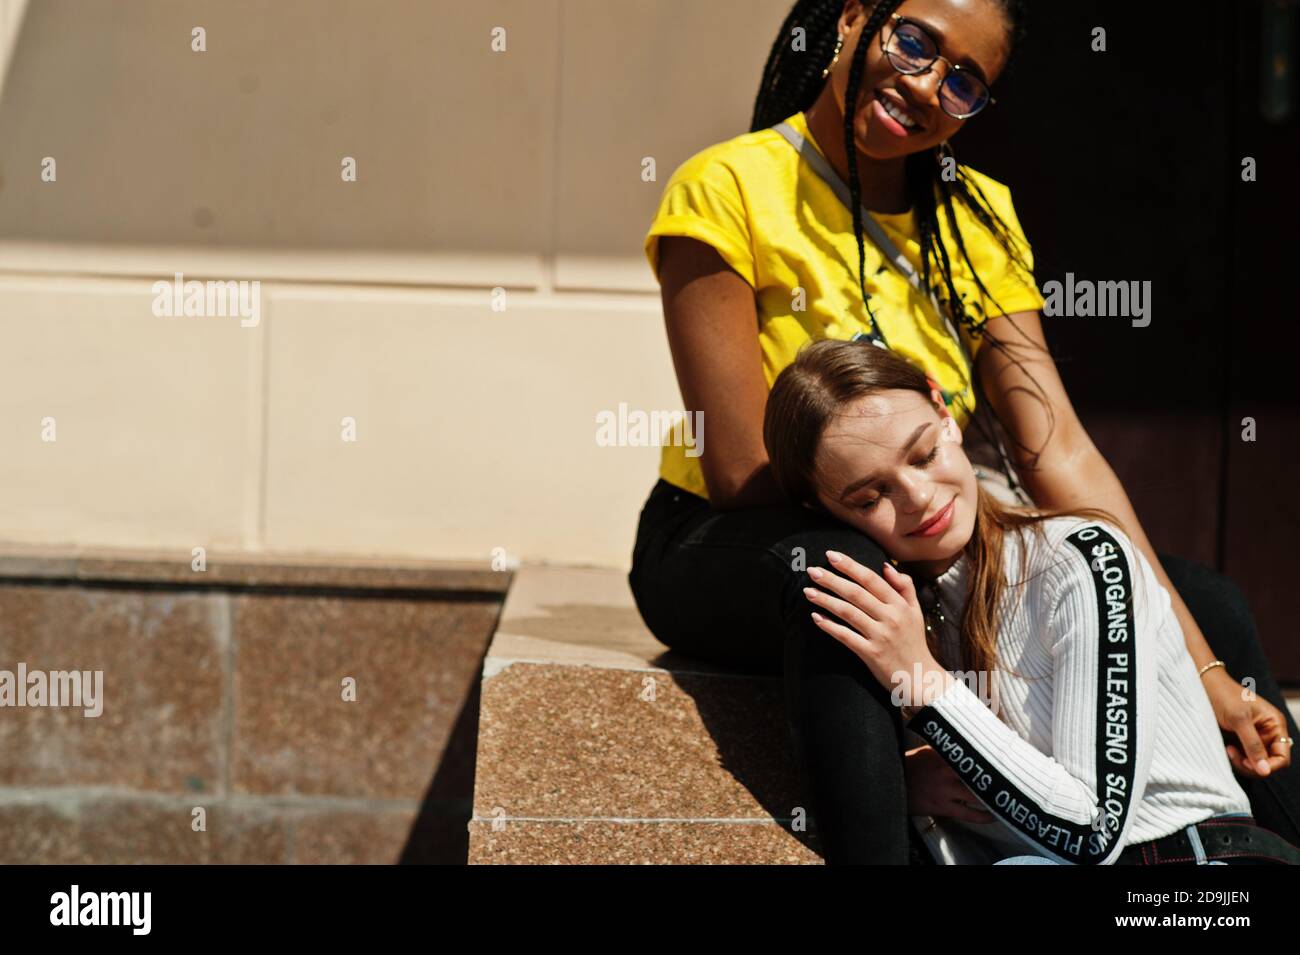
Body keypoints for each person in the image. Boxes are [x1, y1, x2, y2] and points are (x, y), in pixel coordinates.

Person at [628, 0, 1299, 863]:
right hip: (730, 534)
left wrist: (1208, 674)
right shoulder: (726, 185)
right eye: (914, 41)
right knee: (854, 579)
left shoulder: (976, 215)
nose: (926, 84)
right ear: (853, 19)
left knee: (1201, 599)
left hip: (907, 536)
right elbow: (742, 468)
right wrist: (925, 686)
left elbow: (1055, 449)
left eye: (964, 80)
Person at [762, 337, 1300, 865]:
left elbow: (1092, 833)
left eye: (925, 454)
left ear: (944, 410)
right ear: (824, 511)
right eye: (871, 496)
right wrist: (900, 777)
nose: (919, 497)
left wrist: (921, 681)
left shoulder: (1082, 559)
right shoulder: (886, 610)